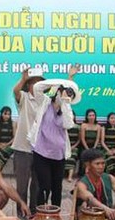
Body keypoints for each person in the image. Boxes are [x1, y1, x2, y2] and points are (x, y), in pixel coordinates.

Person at [11, 65, 79, 217]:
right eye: (33, 81)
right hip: (23, 147)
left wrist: (70, 78)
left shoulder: (46, 101)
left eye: (39, 81)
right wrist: (23, 78)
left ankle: (35, 213)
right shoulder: (24, 98)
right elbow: (16, 91)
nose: (36, 84)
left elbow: (64, 95)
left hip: (40, 150)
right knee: (22, 186)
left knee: (38, 185)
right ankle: (21, 214)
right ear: (28, 85)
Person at [29, 79, 79, 207]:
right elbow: (37, 88)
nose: (66, 95)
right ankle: (40, 214)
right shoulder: (45, 102)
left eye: (70, 94)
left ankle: (55, 216)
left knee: (57, 188)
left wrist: (66, 102)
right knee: (44, 186)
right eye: (64, 92)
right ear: (58, 91)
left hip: (59, 155)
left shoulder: (66, 111)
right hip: (42, 153)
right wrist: (57, 83)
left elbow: (68, 124)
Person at [75, 149, 115, 220]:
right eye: (97, 164)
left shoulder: (109, 178)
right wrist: (106, 209)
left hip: (107, 214)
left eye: (103, 163)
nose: (101, 167)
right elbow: (90, 199)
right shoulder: (81, 184)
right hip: (89, 218)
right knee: (83, 205)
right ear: (88, 165)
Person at [101, 112, 115, 176]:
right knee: (109, 157)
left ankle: (114, 175)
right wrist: (108, 150)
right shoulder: (104, 128)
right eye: (111, 118)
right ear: (108, 119)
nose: (113, 120)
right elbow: (102, 141)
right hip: (106, 148)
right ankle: (108, 174)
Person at [64, 110, 80, 182]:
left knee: (72, 156)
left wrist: (73, 147)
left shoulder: (78, 127)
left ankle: (70, 176)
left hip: (74, 146)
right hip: (64, 146)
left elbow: (79, 140)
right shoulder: (64, 126)